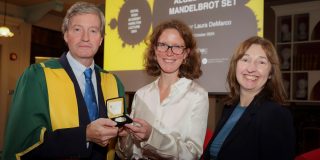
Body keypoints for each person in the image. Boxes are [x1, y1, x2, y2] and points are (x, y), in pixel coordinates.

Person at [2, 2, 125, 160]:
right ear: (66, 35)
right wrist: (84, 135)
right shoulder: (38, 77)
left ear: (101, 39)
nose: (85, 38)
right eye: (77, 29)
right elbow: (25, 143)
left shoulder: (113, 82)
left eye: (93, 31)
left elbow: (118, 144)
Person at [116, 19, 209, 159]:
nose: (169, 53)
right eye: (163, 45)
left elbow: (191, 154)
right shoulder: (141, 94)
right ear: (155, 50)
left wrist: (152, 137)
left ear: (186, 54)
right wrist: (124, 138)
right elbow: (129, 154)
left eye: (177, 46)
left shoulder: (197, 96)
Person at [202, 36, 295, 160]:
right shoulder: (230, 107)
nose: (251, 68)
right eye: (245, 60)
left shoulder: (275, 114)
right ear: (235, 66)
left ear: (271, 73)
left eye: (261, 62)